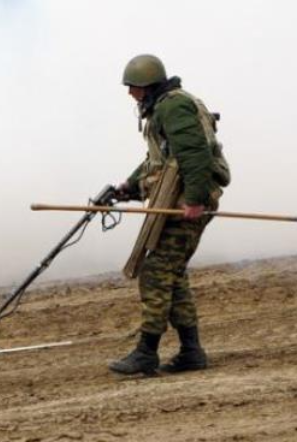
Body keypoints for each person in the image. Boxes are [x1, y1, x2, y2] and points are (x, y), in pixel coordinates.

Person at [110, 54, 230, 375]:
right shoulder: (165, 107)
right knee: (172, 275)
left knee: (156, 272)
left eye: (133, 88)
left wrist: (195, 199)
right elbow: (160, 161)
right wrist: (130, 186)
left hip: (184, 206)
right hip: (174, 200)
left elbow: (194, 154)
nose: (130, 94)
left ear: (148, 86)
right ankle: (191, 352)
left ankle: (147, 352)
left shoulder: (172, 107)